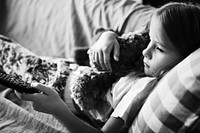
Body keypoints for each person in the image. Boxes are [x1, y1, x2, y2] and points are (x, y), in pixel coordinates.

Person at [20, 2, 200, 133]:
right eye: (150, 40)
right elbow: (111, 40)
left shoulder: (143, 88)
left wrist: (58, 110)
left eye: (159, 48)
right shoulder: (143, 66)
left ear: (184, 58)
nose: (146, 51)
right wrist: (108, 36)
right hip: (68, 72)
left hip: (58, 84)